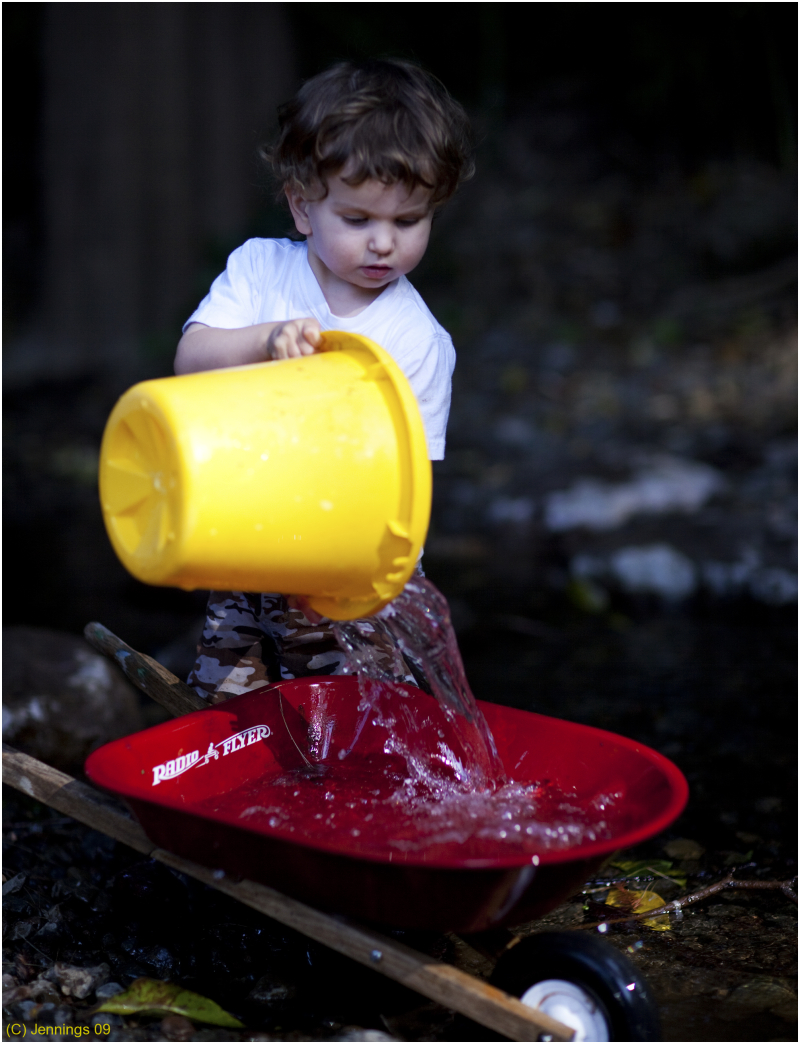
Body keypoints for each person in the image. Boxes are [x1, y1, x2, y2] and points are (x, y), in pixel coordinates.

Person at [176, 58, 473, 702]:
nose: (384, 245)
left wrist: (340, 574)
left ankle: (351, 791)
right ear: (303, 206)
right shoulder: (258, 274)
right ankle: (231, 779)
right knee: (228, 699)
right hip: (244, 544)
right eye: (359, 220)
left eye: (409, 221)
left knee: (351, 719)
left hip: (348, 577)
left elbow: (408, 488)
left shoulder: (414, 339)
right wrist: (264, 339)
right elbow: (189, 359)